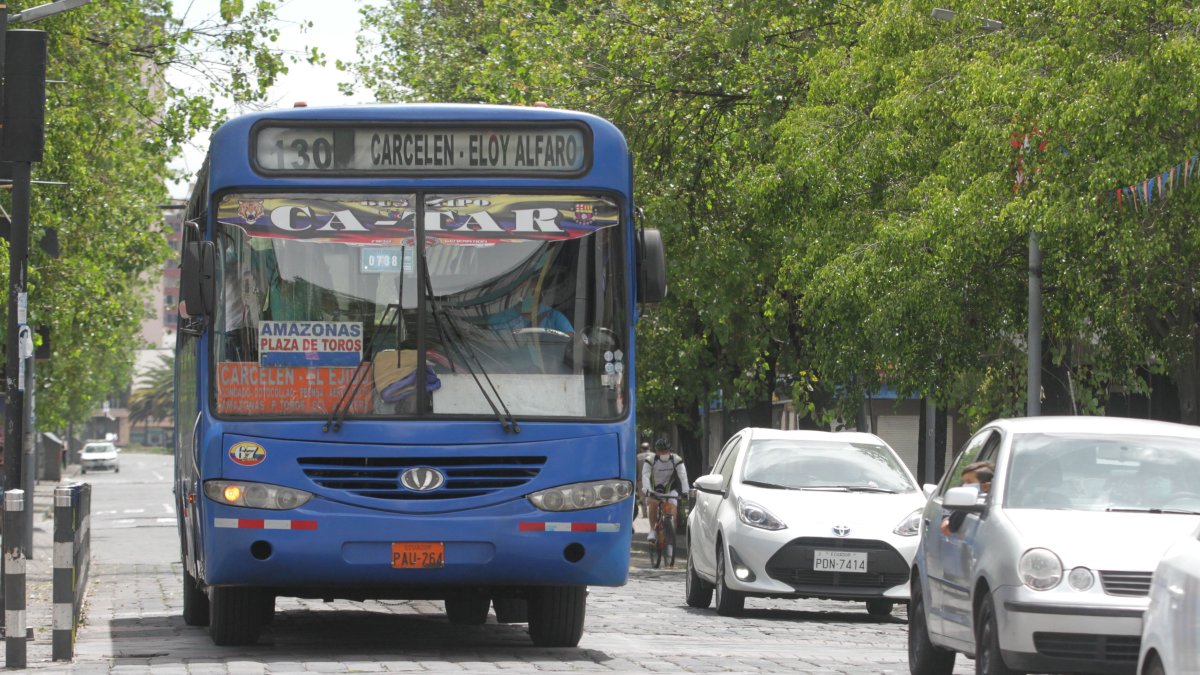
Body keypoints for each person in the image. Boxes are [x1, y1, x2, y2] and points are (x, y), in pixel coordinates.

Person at [642, 438, 689, 544]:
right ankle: (652, 530)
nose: (664, 453)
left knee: (673, 510)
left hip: (670, 490)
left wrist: (686, 491)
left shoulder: (676, 459)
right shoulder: (650, 460)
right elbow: (645, 476)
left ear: (670, 450)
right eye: (661, 451)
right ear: (656, 451)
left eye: (666, 451)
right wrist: (647, 491)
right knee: (652, 504)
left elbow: (683, 476)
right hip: (653, 490)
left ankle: (671, 531)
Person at [941, 461, 994, 537]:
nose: (964, 485)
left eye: (969, 482)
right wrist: (946, 518)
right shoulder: (964, 499)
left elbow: (953, 526)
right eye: (963, 482)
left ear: (986, 486)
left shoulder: (981, 503)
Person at [488, 295, 573, 335]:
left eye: (534, 291)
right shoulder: (504, 315)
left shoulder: (553, 316)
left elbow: (572, 341)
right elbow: (489, 339)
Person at [635, 441, 653, 518]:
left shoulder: (638, 457)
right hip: (652, 480)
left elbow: (635, 469)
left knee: (643, 498)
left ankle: (645, 514)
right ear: (649, 448)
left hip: (641, 480)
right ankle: (652, 513)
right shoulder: (654, 456)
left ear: (641, 449)